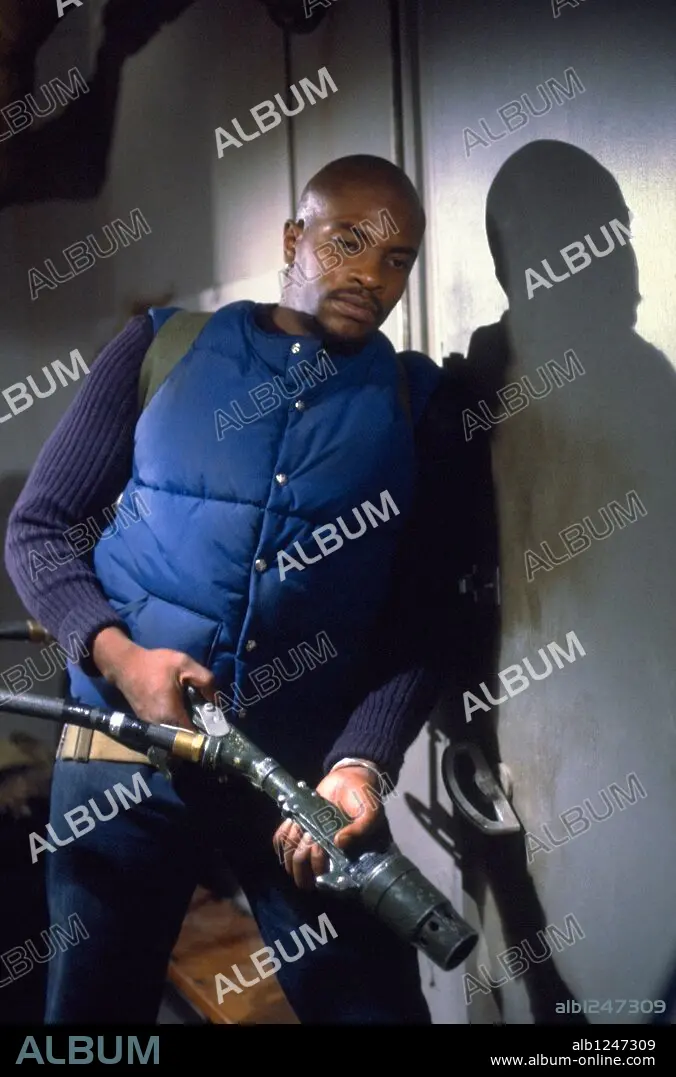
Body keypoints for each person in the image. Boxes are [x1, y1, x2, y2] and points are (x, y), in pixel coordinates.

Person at [5, 154, 464, 1024]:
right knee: (91, 1015)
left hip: (301, 779)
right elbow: (40, 529)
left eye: (397, 258)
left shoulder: (417, 403)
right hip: (121, 755)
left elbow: (426, 617)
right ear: (294, 239)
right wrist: (123, 659)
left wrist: (361, 765)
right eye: (348, 241)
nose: (371, 275)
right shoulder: (163, 348)